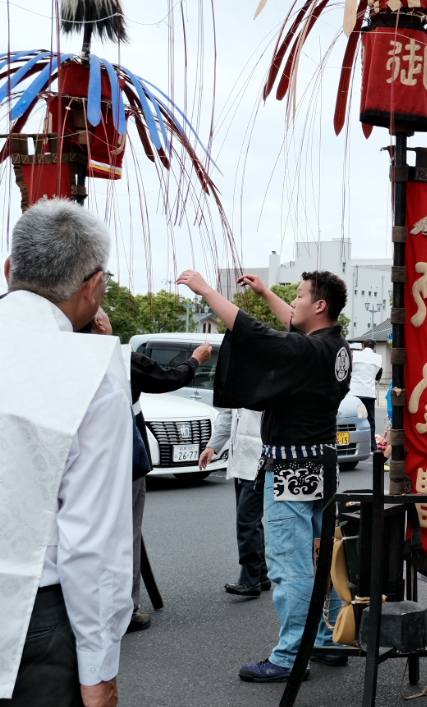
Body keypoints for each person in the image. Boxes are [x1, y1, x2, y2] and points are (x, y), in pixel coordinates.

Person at [175, 268, 351, 683]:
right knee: (320, 558)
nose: (293, 305)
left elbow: (254, 332)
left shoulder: (309, 351)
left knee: (291, 565)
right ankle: (323, 639)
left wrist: (207, 292)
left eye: (300, 297)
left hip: (292, 467)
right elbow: (289, 328)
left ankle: (291, 655)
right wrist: (266, 291)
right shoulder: (336, 347)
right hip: (321, 463)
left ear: (319, 305)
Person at [0, 199, 134, 707]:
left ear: (10, 268)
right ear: (93, 285)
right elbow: (93, 535)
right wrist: (99, 670)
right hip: (34, 614)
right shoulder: (90, 369)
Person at [86, 307, 212, 632]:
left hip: (82, 462)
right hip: (124, 458)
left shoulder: (63, 355)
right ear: (100, 323)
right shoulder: (121, 357)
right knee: (126, 534)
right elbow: (170, 378)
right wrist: (197, 358)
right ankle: (124, 611)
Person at [199, 406, 268, 597]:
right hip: (241, 459)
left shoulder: (266, 378)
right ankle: (261, 573)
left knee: (247, 520)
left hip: (259, 459)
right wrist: (212, 446)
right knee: (249, 519)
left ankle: (250, 579)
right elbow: (229, 414)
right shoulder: (242, 380)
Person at [349, 343, 382, 424]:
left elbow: (348, 370)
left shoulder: (354, 355)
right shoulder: (377, 358)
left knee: (354, 417)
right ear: (374, 347)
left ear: (363, 346)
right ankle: (371, 436)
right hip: (369, 393)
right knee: (370, 419)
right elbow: (378, 377)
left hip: (354, 392)